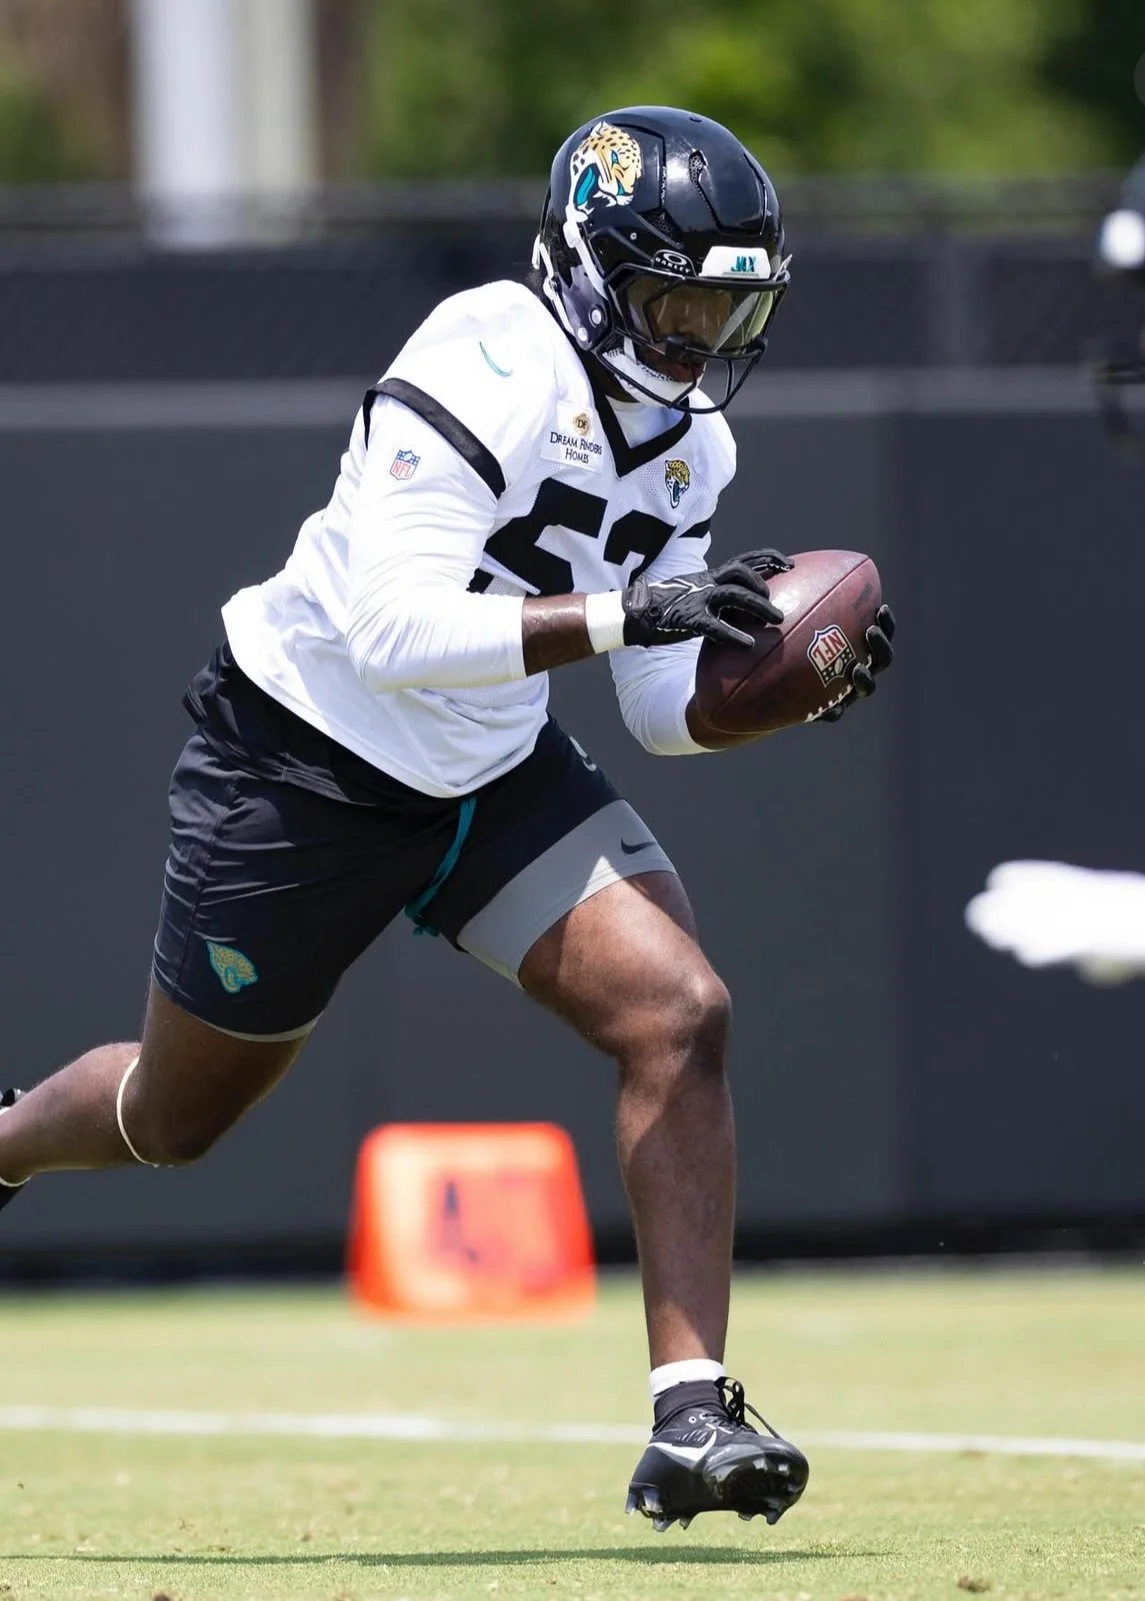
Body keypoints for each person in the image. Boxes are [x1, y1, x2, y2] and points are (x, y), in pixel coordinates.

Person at [0, 106, 893, 1532]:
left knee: (681, 1013)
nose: (697, 335)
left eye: (728, 305)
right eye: (676, 298)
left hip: (486, 770)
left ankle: (693, 1414)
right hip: (303, 763)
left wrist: (774, 687)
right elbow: (393, 629)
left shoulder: (689, 451)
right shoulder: (486, 356)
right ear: (596, 271)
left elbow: (664, 702)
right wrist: (624, 612)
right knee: (172, 1122)